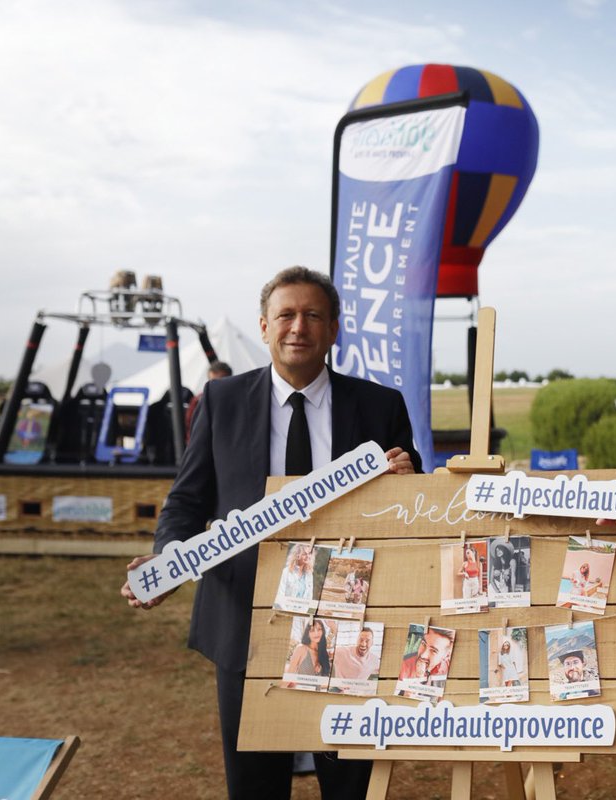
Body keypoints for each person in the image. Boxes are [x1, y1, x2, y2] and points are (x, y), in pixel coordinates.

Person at [121, 265, 420, 800]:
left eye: (312, 316)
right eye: (285, 315)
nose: (297, 327)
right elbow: (186, 502)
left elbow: (411, 512)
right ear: (264, 327)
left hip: (349, 620)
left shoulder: (381, 406)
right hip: (246, 621)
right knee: (255, 785)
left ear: (333, 329)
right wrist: (168, 560)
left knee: (351, 783)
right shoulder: (221, 402)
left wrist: (406, 479)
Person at [186, 360, 233, 442]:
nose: (217, 386)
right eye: (213, 382)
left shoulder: (238, 399)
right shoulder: (199, 400)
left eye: (221, 381)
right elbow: (190, 427)